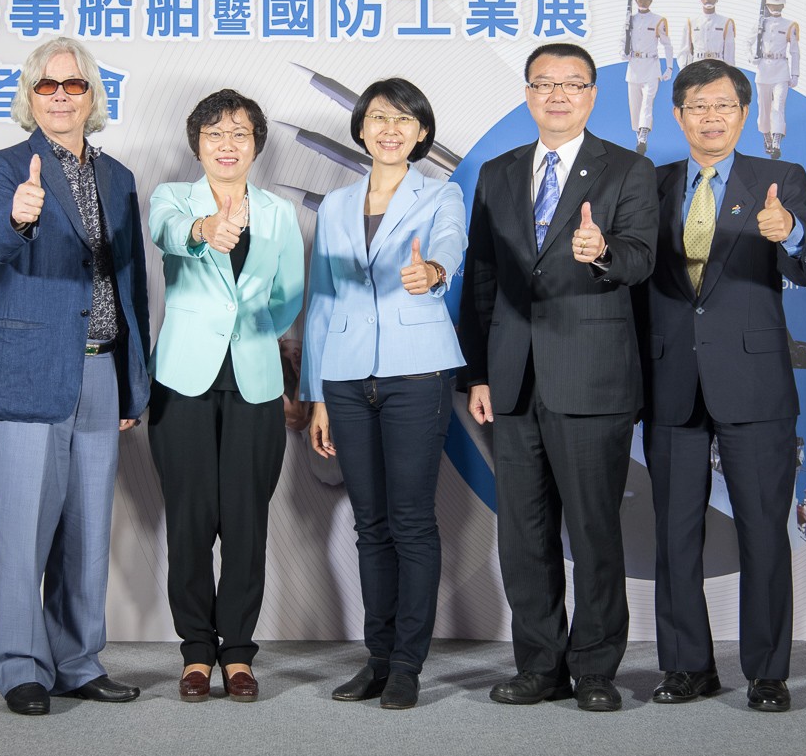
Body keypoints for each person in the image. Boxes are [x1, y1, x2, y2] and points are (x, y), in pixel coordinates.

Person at [458, 43, 658, 712]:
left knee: (595, 531)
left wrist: (602, 252)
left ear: (593, 95)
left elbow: (642, 258)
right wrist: (479, 372)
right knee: (524, 534)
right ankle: (539, 665)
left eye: (572, 84)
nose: (558, 95)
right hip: (513, 380)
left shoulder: (628, 169)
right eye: (544, 84)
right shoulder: (498, 172)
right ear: (527, 94)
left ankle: (595, 670)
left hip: (592, 377)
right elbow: (482, 277)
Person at [634, 58, 806, 713]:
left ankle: (768, 673)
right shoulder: (651, 183)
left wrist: (790, 232)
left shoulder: (780, 180)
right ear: (677, 115)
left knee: (763, 533)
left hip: (753, 381)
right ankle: (687, 666)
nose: (710, 117)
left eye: (723, 105)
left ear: (744, 114)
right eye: (696, 106)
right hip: (670, 379)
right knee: (675, 533)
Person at [0, 37, 150, 716]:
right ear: (30, 96)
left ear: (92, 95)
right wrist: (19, 218)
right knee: (22, 533)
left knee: (87, 531)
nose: (61, 96)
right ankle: (20, 665)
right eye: (47, 86)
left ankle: (77, 661)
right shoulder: (3, 167)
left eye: (74, 85)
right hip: (28, 372)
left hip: (101, 369)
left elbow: (131, 285)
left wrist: (133, 380)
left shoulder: (119, 177)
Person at [300, 78, 467, 710]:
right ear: (361, 129)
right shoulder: (337, 205)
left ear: (421, 133)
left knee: (411, 521)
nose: (389, 130)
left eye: (403, 120)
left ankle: (407, 664)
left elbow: (449, 245)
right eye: (377, 118)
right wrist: (316, 394)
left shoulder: (442, 194)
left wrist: (433, 271)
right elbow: (321, 299)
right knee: (369, 523)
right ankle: (376, 658)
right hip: (345, 377)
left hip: (417, 372)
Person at [148, 89, 305, 703]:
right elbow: (168, 234)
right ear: (197, 144)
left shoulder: (278, 212)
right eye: (214, 133)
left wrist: (255, 331)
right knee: (188, 521)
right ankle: (195, 651)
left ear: (256, 145)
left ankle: (237, 652)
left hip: (255, 381)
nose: (227, 144)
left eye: (240, 133)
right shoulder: (172, 199)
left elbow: (288, 294)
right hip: (183, 379)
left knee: (246, 522)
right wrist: (205, 230)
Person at [624, 0, 676, 154]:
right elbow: (622, 40)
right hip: (634, 67)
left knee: (647, 103)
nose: (643, 2)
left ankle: (644, 134)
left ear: (651, 0)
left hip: (651, 67)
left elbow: (667, 45)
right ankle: (639, 134)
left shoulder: (658, 20)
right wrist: (623, 52)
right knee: (635, 107)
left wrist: (669, 67)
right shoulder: (630, 20)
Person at [753, 0, 800, 159]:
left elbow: (795, 51)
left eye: (779, 5)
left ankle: (776, 140)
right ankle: (766, 135)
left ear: (783, 6)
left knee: (778, 106)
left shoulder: (789, 25)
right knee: (763, 108)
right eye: (772, 5)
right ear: (767, 5)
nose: (775, 8)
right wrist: (752, 57)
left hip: (781, 70)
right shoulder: (761, 24)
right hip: (764, 70)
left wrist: (795, 74)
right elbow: (747, 42)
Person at [681, 0, 735, 68]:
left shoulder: (726, 22)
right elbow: (685, 50)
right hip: (698, 64)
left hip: (718, 66)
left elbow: (729, 52)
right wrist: (683, 69)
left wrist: (730, 71)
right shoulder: (691, 22)